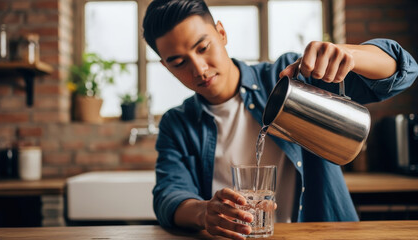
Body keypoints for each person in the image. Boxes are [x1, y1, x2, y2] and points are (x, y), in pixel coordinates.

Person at [142, 0, 418, 239]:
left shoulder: (290, 78)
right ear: (165, 66)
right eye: (179, 63)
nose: (199, 69)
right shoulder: (176, 124)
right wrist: (205, 212)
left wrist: (350, 55)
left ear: (221, 33)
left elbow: (403, 73)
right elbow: (169, 196)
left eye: (203, 47)